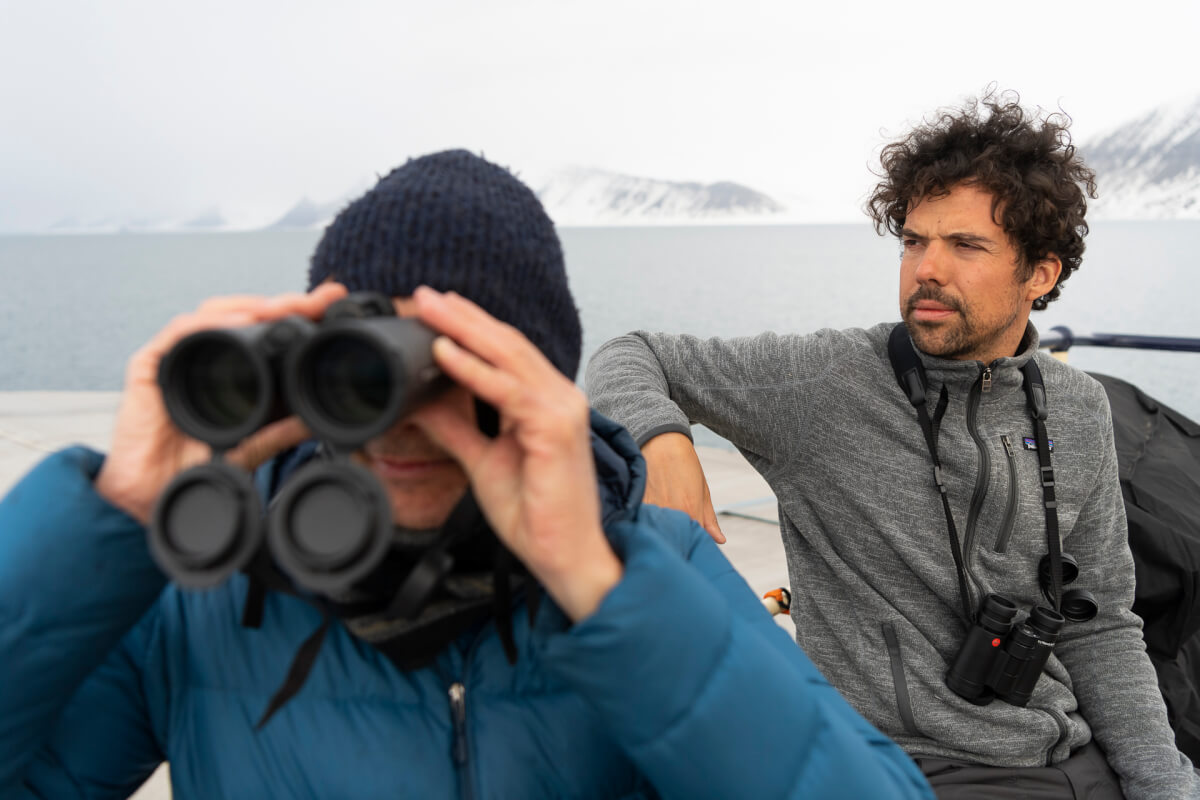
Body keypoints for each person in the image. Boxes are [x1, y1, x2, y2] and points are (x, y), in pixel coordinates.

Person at [0, 150, 932, 799]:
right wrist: (108, 521)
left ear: (534, 384)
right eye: (359, 372)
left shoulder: (653, 566)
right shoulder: (201, 594)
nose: (404, 418)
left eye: (457, 374)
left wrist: (600, 592)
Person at [585, 94, 1200, 799]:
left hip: (1066, 754)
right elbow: (629, 354)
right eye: (913, 241)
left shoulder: (1077, 408)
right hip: (900, 767)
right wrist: (662, 440)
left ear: (1041, 274)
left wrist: (1164, 783)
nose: (926, 268)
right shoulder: (827, 381)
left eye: (965, 245)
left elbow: (1102, 628)